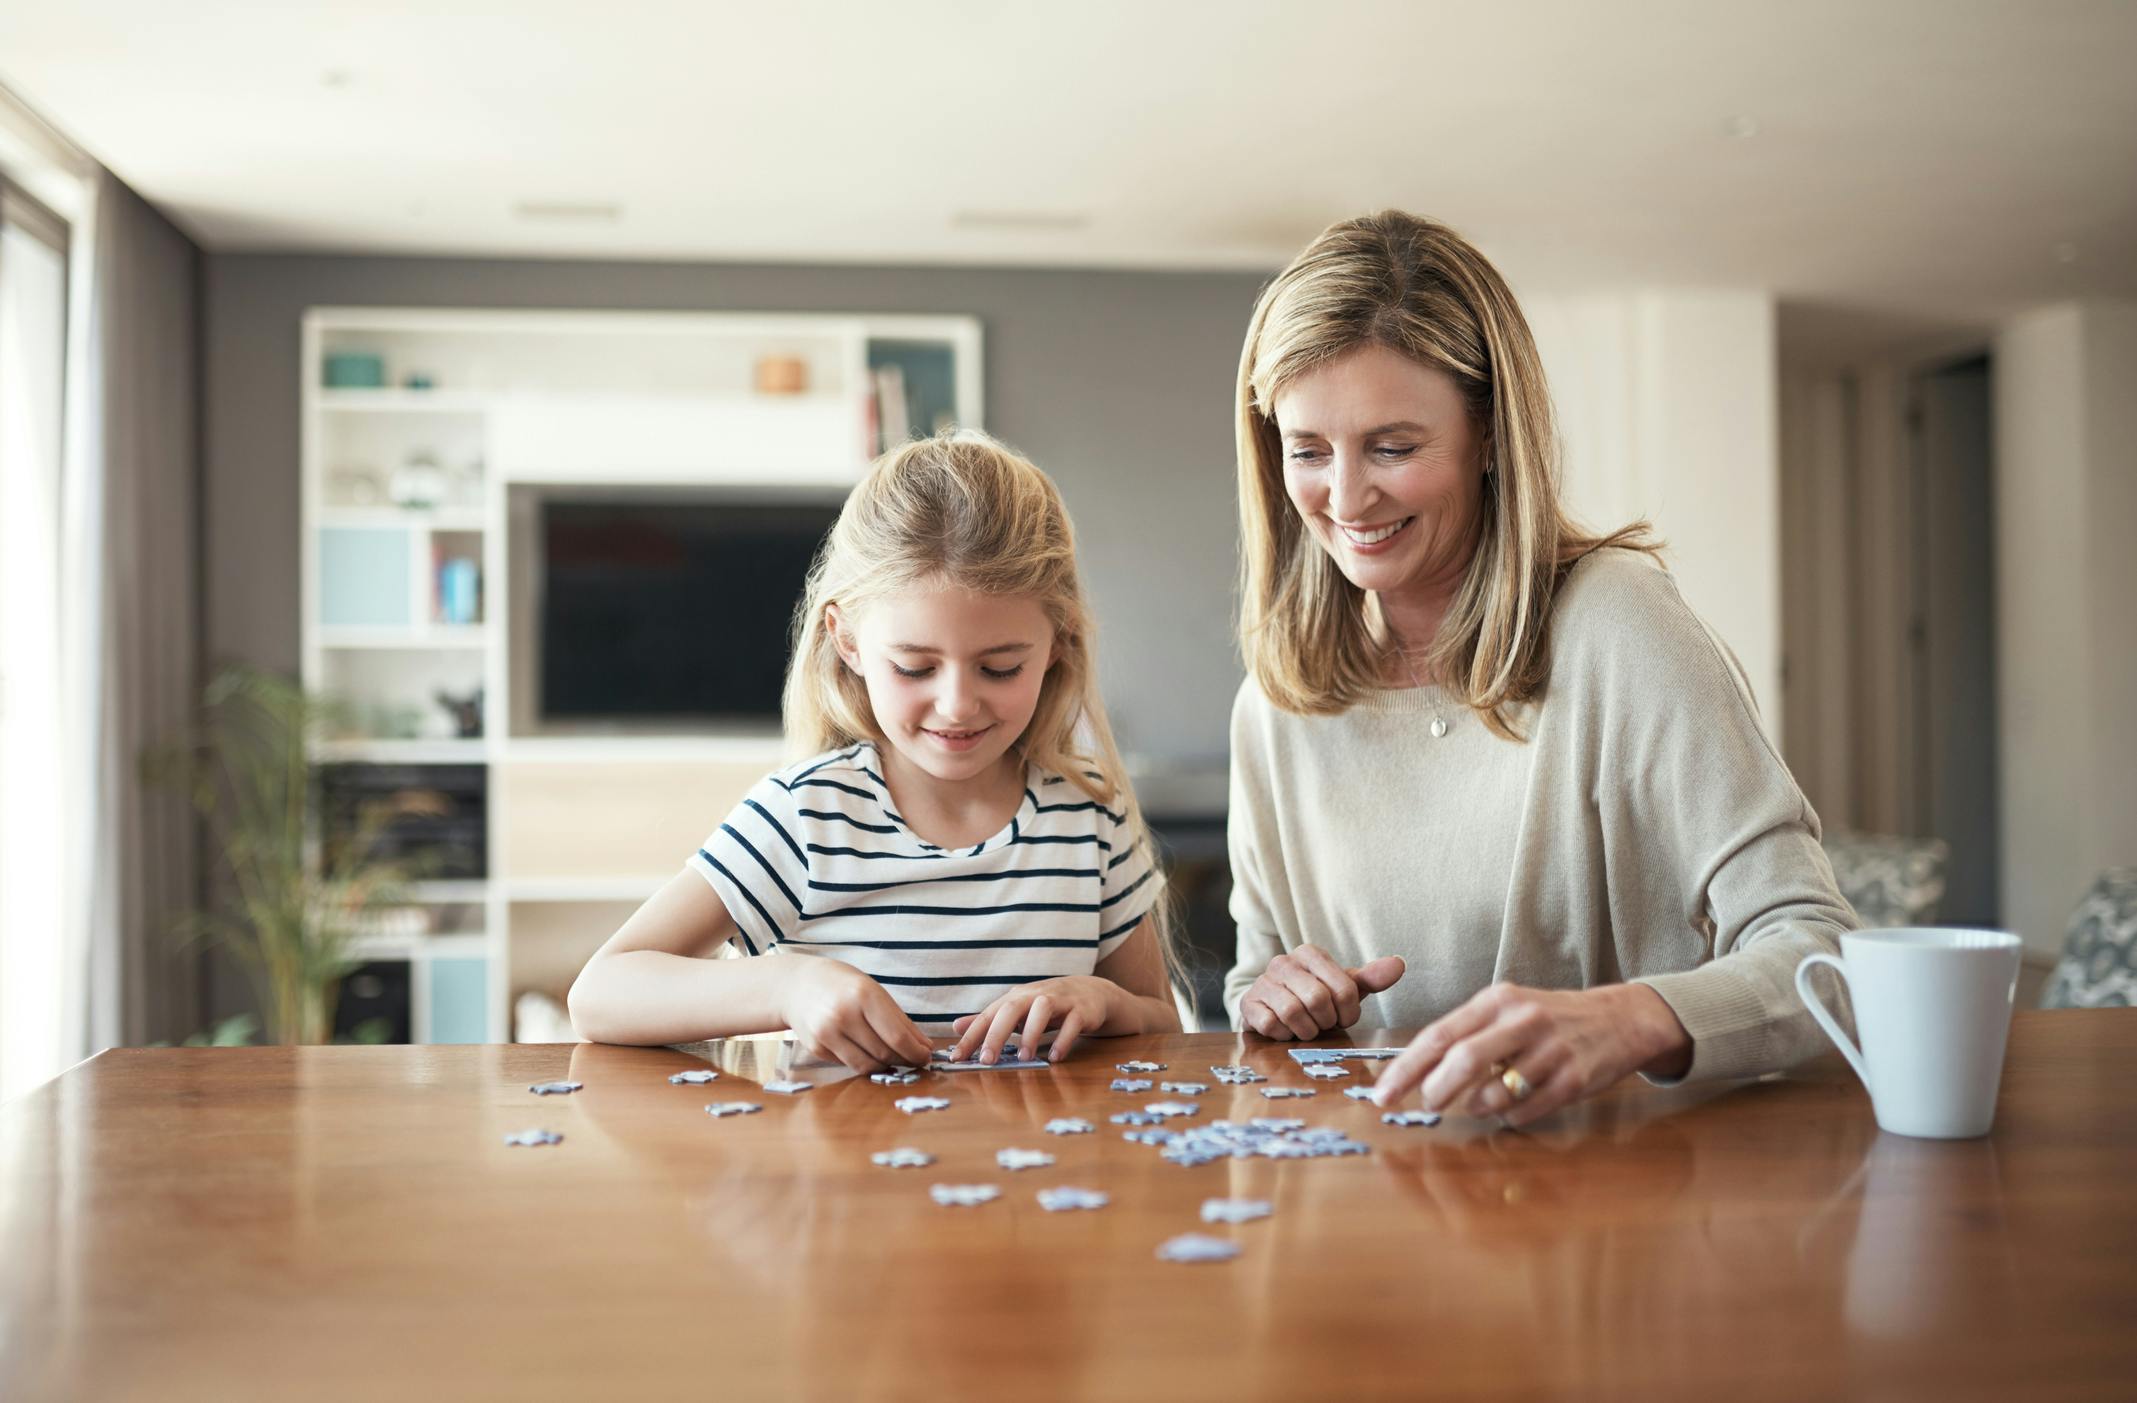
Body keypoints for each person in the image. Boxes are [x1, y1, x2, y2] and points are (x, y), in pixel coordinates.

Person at [1223, 210, 1855, 1126]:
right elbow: (1255, 976)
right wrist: (1276, 997)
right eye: (1308, 451)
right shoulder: (1274, 705)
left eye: (1393, 447)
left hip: (1619, 1206)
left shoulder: (1617, 626)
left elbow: (1823, 957)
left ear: (1488, 435)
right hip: (1378, 1218)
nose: (1346, 497)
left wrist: (1634, 1019)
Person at [568, 431, 1179, 1071]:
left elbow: (1161, 1019)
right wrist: (788, 985)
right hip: (845, 1168)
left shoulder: (1089, 817)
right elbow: (600, 994)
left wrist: (1102, 1001)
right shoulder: (806, 815)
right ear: (850, 641)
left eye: (999, 668)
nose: (957, 704)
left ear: (1058, 642)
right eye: (914, 668)